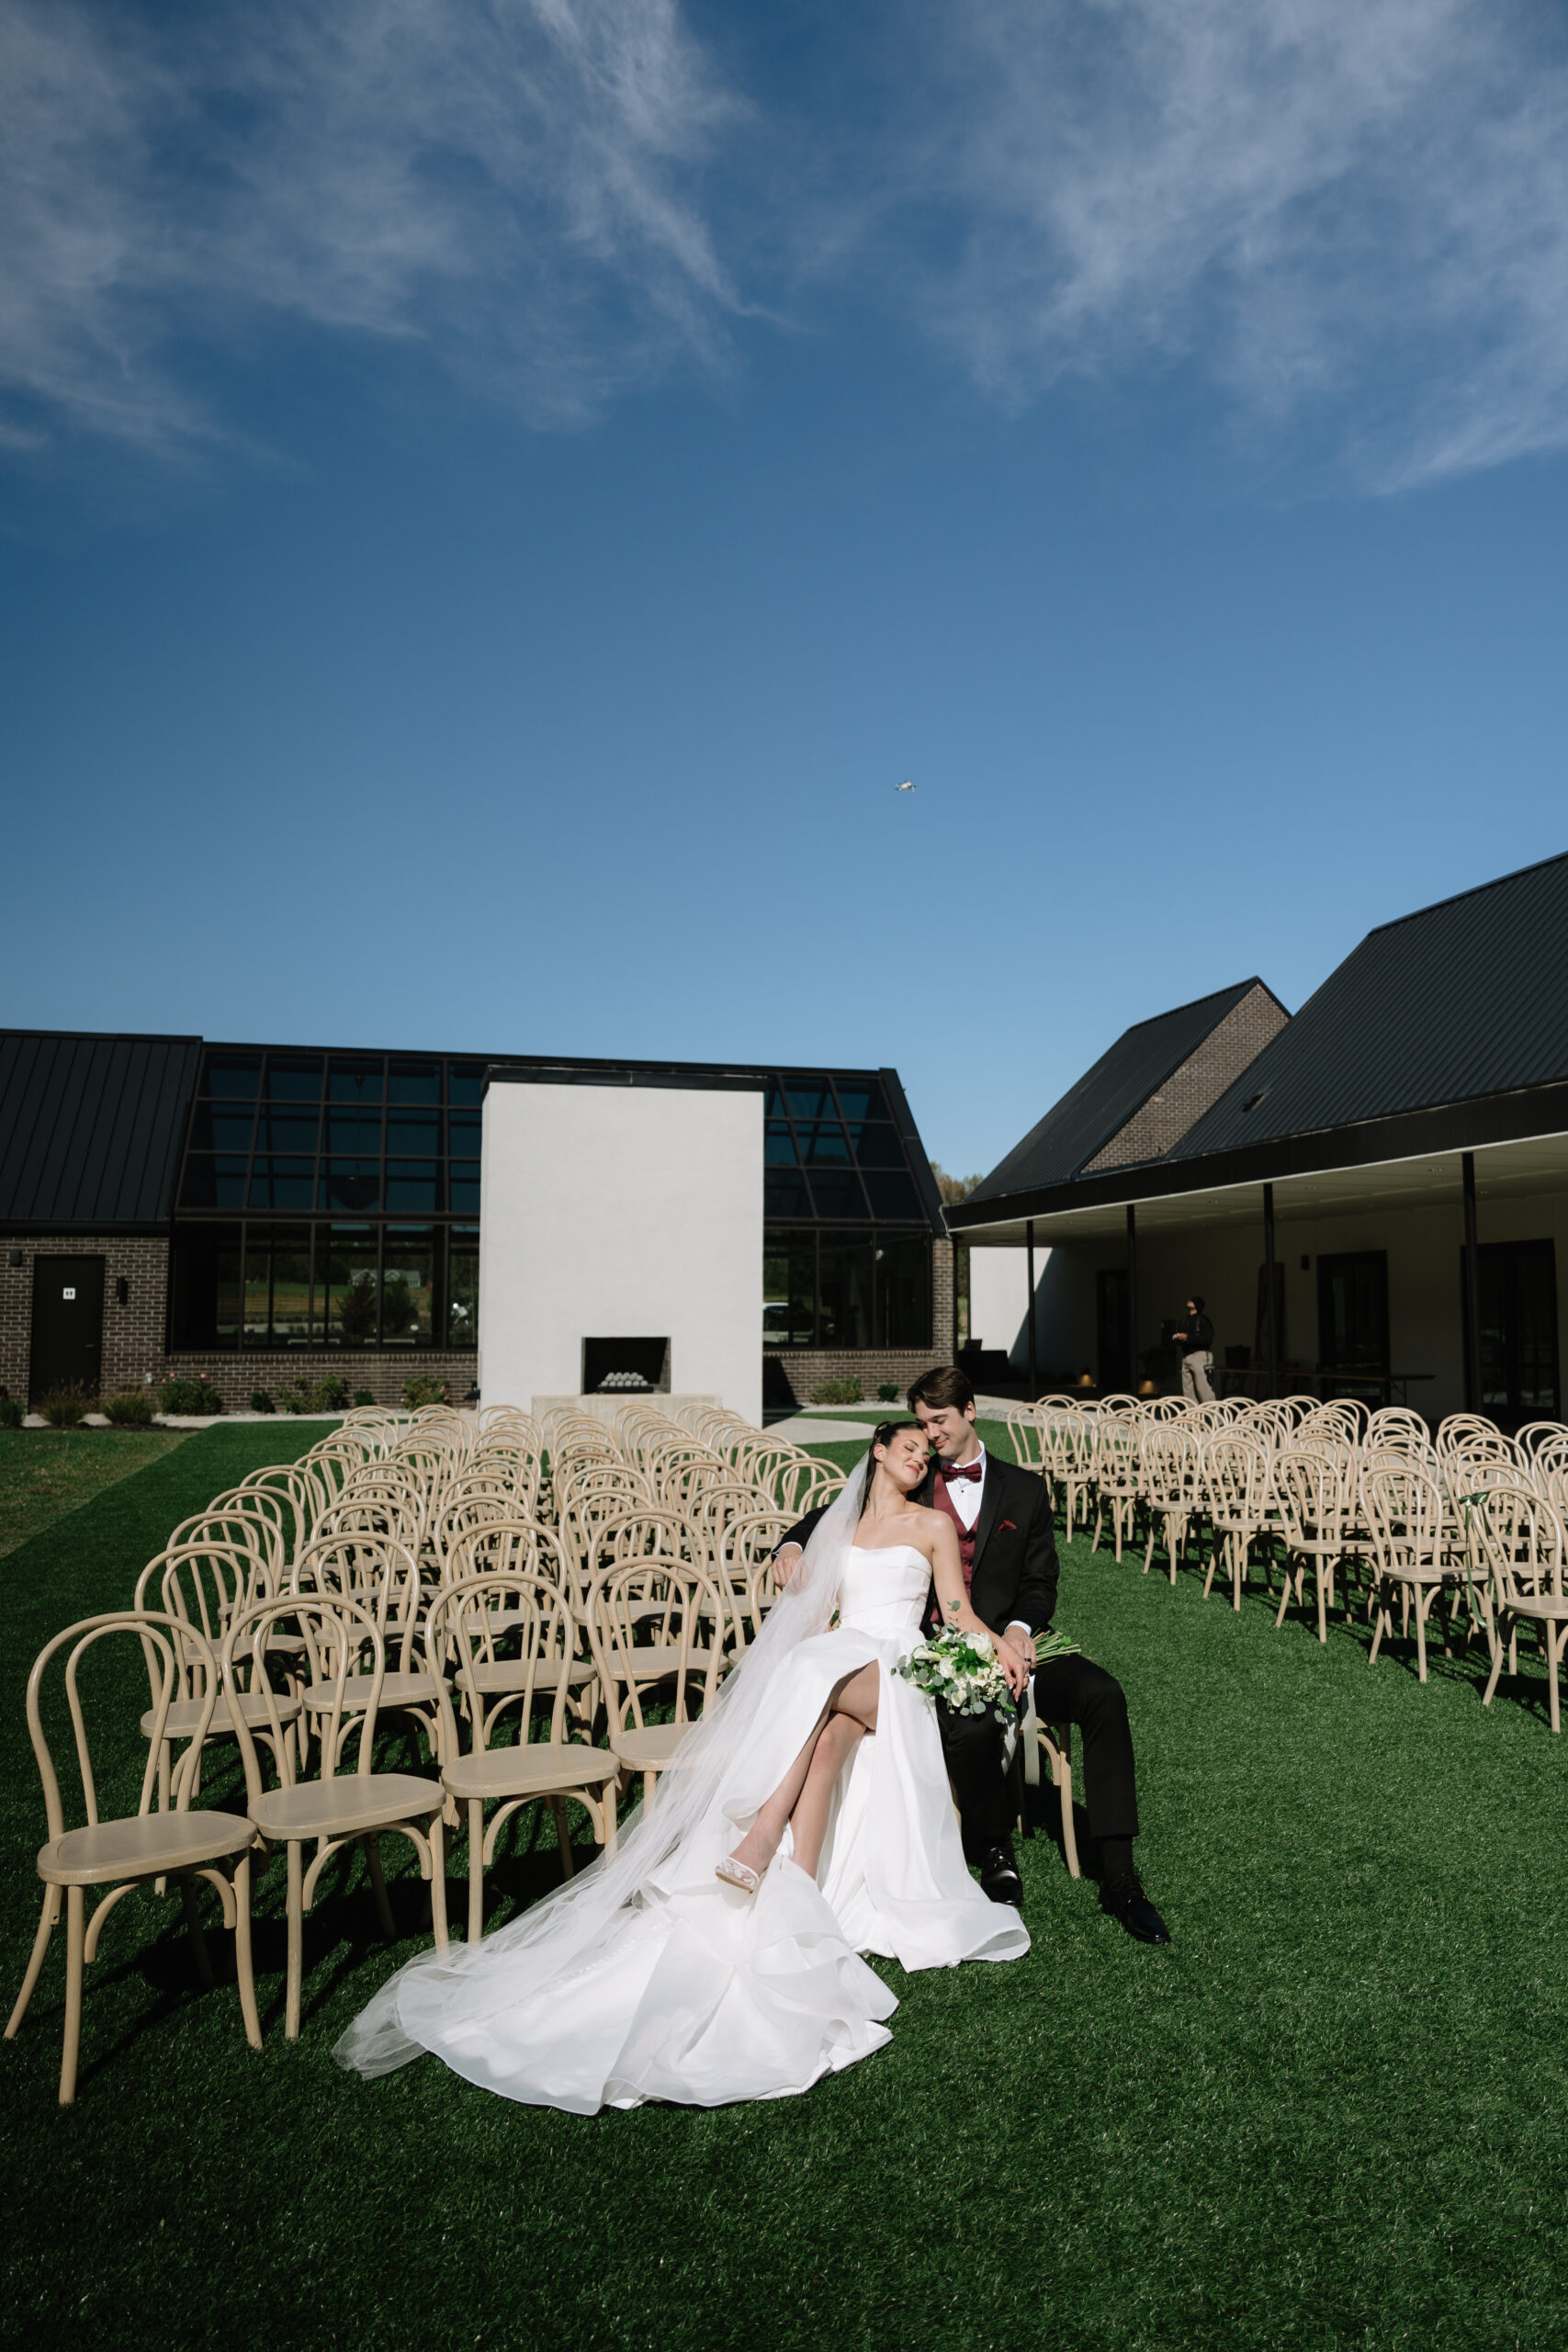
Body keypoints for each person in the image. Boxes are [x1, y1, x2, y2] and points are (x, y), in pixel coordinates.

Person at [333, 1422, 1027, 2111]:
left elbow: (956, 1612)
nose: (919, 1458)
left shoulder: (932, 1525)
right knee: (823, 1740)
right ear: (878, 1451)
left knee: (812, 1668)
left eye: (925, 1454)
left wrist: (1000, 1646)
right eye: (908, 1448)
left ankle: (762, 1831)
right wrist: (791, 1558)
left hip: (896, 1669)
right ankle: (803, 1888)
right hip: (844, 1662)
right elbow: (811, 1602)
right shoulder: (839, 1524)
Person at [774, 1365, 1170, 1944]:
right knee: (970, 1722)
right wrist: (790, 1542)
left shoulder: (1025, 1489)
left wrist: (1018, 1630)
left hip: (1019, 1642)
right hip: (937, 1652)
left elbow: (1040, 1581)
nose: (930, 1434)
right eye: (921, 1422)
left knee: (1103, 1695)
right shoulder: (914, 1476)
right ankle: (992, 1847)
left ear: (970, 1412)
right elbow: (833, 1516)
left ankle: (1120, 1877)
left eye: (939, 1420)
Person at [1172, 1296, 1215, 1402]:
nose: (1190, 1301)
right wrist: (1178, 1339)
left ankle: (1213, 1412)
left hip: (1199, 1356)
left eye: (1194, 1301)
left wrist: (1188, 1338)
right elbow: (1182, 1338)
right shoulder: (1183, 1320)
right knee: (1188, 1393)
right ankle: (1193, 1413)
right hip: (1186, 1356)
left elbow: (1208, 1339)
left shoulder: (1203, 1320)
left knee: (1203, 1390)